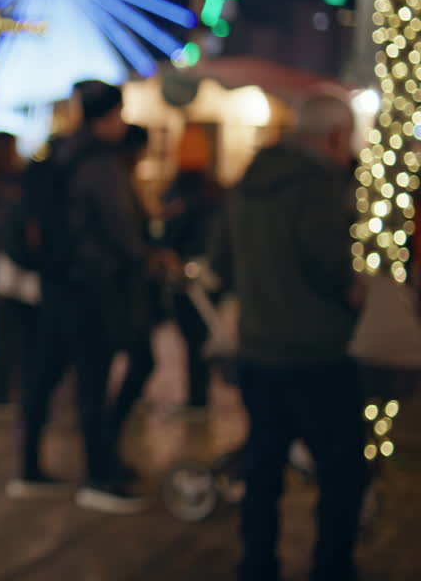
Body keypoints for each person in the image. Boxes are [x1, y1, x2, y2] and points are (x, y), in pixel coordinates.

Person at [209, 92, 365, 581]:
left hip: (257, 348)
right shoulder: (321, 185)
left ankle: (257, 564)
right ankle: (332, 568)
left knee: (263, 466)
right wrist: (355, 289)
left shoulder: (247, 181)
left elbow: (220, 263)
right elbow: (329, 263)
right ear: (334, 136)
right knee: (342, 472)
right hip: (319, 352)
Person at [7, 80, 148, 514]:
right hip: (91, 286)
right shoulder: (101, 163)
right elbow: (120, 226)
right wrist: (145, 257)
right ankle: (99, 478)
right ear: (109, 115)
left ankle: (29, 470)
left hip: (55, 282)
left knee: (44, 377)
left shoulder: (59, 153)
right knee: (92, 383)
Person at [161, 126, 223, 414]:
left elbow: (172, 232)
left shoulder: (179, 193)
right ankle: (201, 395)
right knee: (202, 335)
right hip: (209, 273)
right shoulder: (214, 191)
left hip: (186, 273)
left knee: (192, 338)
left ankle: (198, 397)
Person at [107, 124, 159, 458]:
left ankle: (107, 446)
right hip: (119, 293)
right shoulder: (116, 182)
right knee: (139, 361)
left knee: (138, 362)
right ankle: (105, 446)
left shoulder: (121, 181)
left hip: (123, 292)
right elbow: (126, 239)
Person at [0, 131, 39, 407]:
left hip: (1, 263)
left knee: (4, 331)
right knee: (13, 331)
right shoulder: (12, 187)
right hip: (12, 264)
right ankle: (2, 390)